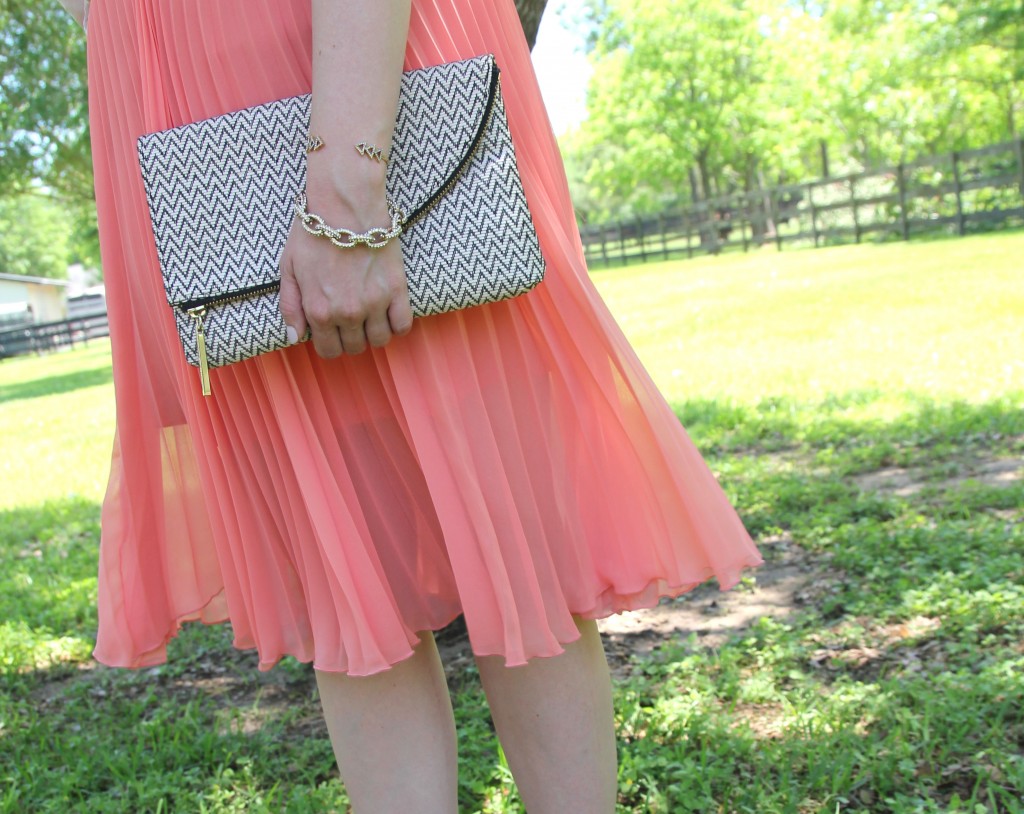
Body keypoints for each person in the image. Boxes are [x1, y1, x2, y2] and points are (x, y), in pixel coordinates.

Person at [58, 0, 764, 811]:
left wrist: (347, 187)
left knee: (511, 537)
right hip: (193, 102)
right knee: (346, 582)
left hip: (344, 76)